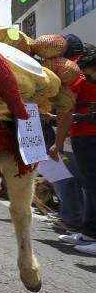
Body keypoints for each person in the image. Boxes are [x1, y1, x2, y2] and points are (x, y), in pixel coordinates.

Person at [49, 44, 96, 256]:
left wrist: (57, 143)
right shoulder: (80, 74)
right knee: (89, 186)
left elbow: (66, 111)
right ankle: (89, 232)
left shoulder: (74, 76)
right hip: (83, 134)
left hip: (88, 136)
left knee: (92, 186)